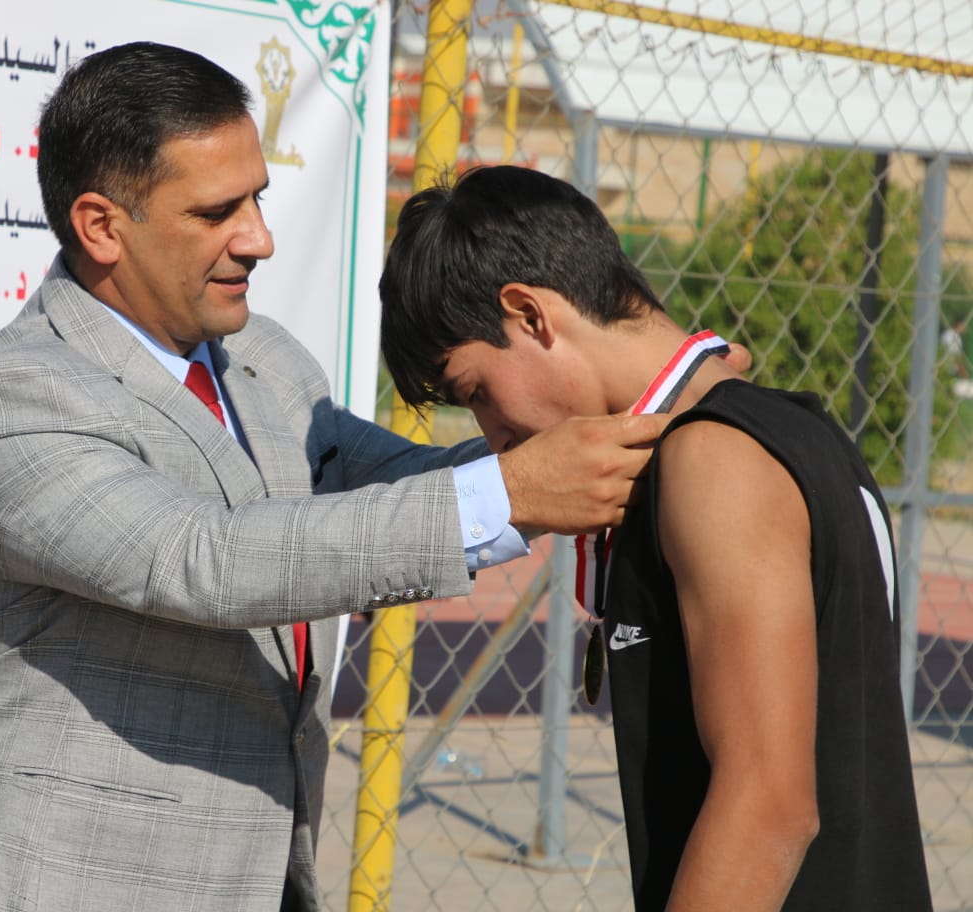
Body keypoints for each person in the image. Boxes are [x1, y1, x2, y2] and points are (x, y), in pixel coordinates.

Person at [0, 44, 672, 912]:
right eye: (216, 211)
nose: (258, 238)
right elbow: (204, 560)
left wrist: (666, 418)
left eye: (256, 197)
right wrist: (520, 491)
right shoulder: (15, 402)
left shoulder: (262, 359)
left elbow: (401, 485)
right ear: (102, 226)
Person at [379, 165, 932, 911]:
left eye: (476, 392)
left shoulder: (714, 458)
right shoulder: (789, 425)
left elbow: (769, 807)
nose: (494, 436)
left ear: (530, 314)